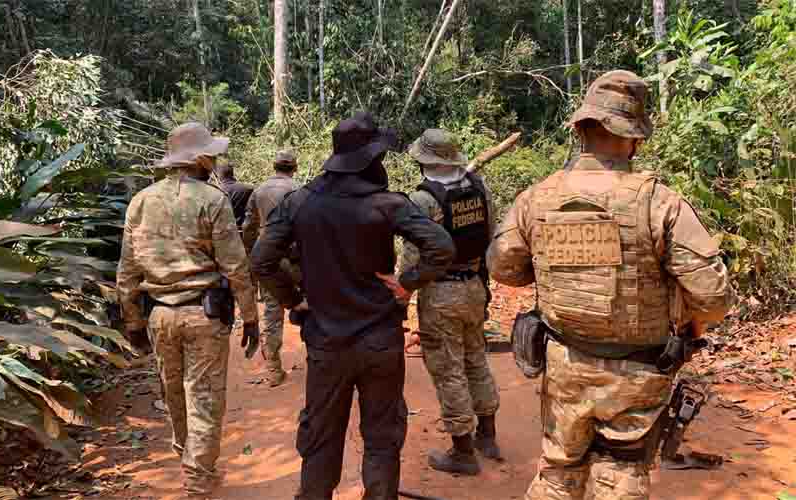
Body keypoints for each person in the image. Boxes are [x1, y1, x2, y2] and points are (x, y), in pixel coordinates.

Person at [487, 71, 734, 500]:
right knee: (621, 476)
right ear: (635, 138)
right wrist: (691, 322)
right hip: (638, 375)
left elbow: (504, 268)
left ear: (581, 129)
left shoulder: (537, 198)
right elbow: (712, 297)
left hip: (563, 365)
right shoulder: (660, 202)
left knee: (557, 472)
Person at [252, 112, 456, 500]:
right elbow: (441, 246)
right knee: (382, 436)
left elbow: (261, 260)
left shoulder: (300, 203)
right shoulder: (388, 204)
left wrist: (295, 300)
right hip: (380, 340)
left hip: (327, 342)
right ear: (371, 160)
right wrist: (408, 282)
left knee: (320, 436)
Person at [117, 122, 260, 498]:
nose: (214, 159)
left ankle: (187, 457)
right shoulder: (212, 201)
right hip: (204, 315)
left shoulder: (141, 202)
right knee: (205, 398)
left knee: (173, 392)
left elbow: (128, 269)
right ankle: (197, 481)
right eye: (210, 153)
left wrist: (132, 319)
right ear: (199, 158)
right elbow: (235, 264)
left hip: (159, 315)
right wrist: (250, 315)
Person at [398, 129, 501, 476]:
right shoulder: (479, 188)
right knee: (476, 360)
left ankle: (462, 451)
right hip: (474, 285)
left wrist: (403, 294)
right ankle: (488, 435)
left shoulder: (423, 200)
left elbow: (413, 257)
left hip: (441, 292)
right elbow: (490, 238)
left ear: (423, 159)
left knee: (448, 370)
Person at [242, 149, 300, 386]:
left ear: (274, 166)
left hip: (268, 257)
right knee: (308, 305)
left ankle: (274, 369)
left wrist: (251, 250)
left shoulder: (259, 191)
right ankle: (322, 361)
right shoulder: (299, 189)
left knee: (272, 313)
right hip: (297, 257)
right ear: (294, 167)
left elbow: (248, 225)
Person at [214, 162, 254, 229]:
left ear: (219, 175)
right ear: (232, 173)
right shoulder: (248, 189)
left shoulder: (215, 190)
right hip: (244, 230)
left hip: (223, 231)